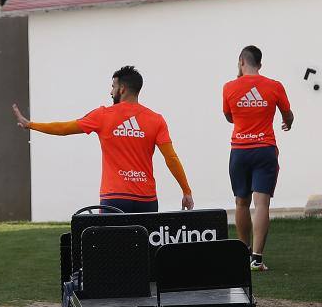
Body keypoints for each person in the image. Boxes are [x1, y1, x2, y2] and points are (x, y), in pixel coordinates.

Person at [11, 65, 194, 213]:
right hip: (146, 200)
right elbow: (171, 158)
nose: (111, 92)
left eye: (113, 87)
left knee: (110, 254)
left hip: (114, 199)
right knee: (143, 255)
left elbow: (64, 128)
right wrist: (186, 191)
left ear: (122, 89)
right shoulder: (156, 119)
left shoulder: (103, 115)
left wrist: (30, 124)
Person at [223, 45, 294, 271]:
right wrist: (287, 123)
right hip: (265, 149)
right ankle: (257, 258)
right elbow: (288, 114)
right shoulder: (274, 86)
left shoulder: (229, 87)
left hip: (240, 150)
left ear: (241, 61)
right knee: (262, 203)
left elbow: (229, 117)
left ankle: (242, 254)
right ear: (260, 64)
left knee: (240, 202)